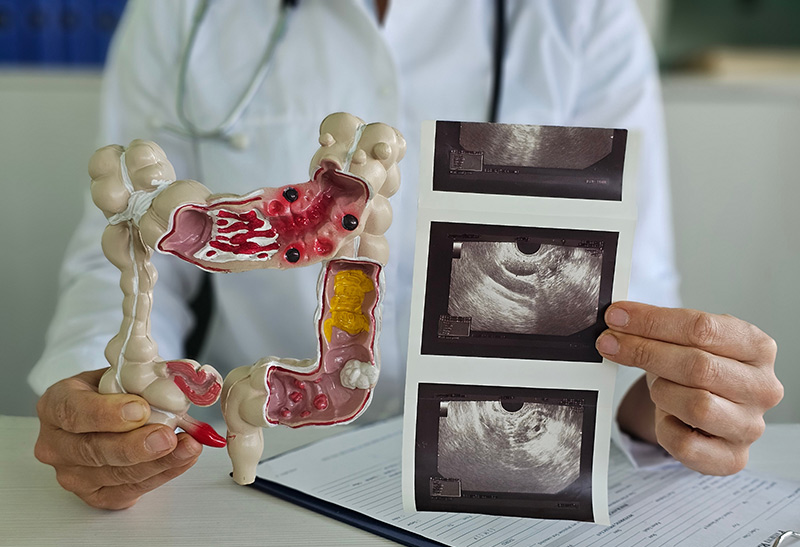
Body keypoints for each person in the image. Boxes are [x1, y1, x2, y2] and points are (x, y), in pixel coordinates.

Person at [29, 0, 782, 510]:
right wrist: (94, 397)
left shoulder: (580, 15)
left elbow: (627, 295)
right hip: (245, 469)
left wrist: (669, 398)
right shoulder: (182, 14)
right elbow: (124, 247)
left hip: (497, 491)